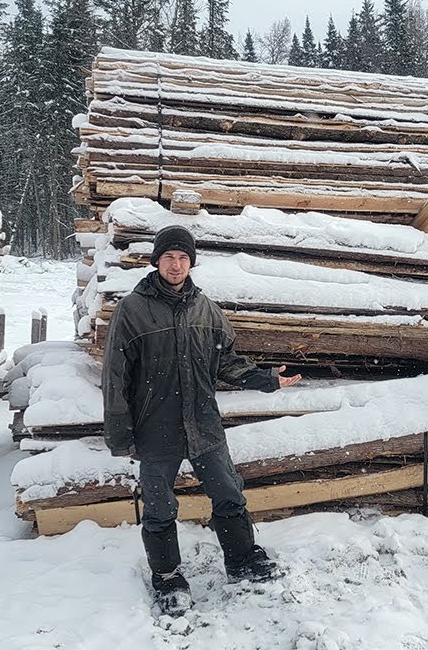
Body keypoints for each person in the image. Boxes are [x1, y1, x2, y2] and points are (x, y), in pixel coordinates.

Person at [102, 225, 302, 615]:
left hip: (203, 422)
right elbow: (115, 375)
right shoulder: (132, 310)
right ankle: (167, 577)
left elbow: (226, 361)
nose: (176, 265)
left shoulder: (206, 309)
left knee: (228, 492)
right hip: (155, 426)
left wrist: (267, 379)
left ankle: (241, 559)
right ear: (156, 261)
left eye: (183, 258)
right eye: (169, 257)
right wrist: (120, 432)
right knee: (160, 507)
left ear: (191, 263)